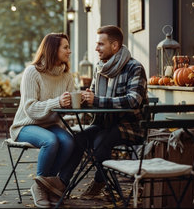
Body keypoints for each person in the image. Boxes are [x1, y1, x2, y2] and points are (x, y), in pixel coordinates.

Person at [44, 25, 148, 200]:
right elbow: (92, 96)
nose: (96, 48)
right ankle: (62, 183)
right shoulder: (100, 69)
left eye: (100, 44)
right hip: (104, 124)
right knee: (78, 139)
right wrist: (82, 99)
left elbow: (133, 101)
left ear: (114, 46)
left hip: (130, 126)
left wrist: (97, 100)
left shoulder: (134, 67)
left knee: (101, 141)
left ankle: (101, 183)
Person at [9, 33, 77, 208]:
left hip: (50, 125)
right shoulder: (32, 72)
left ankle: (49, 187)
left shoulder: (67, 76)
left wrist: (77, 100)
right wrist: (57, 101)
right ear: (53, 49)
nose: (69, 51)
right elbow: (30, 108)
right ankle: (39, 188)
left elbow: (66, 108)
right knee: (51, 141)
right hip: (25, 125)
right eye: (66, 47)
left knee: (69, 142)